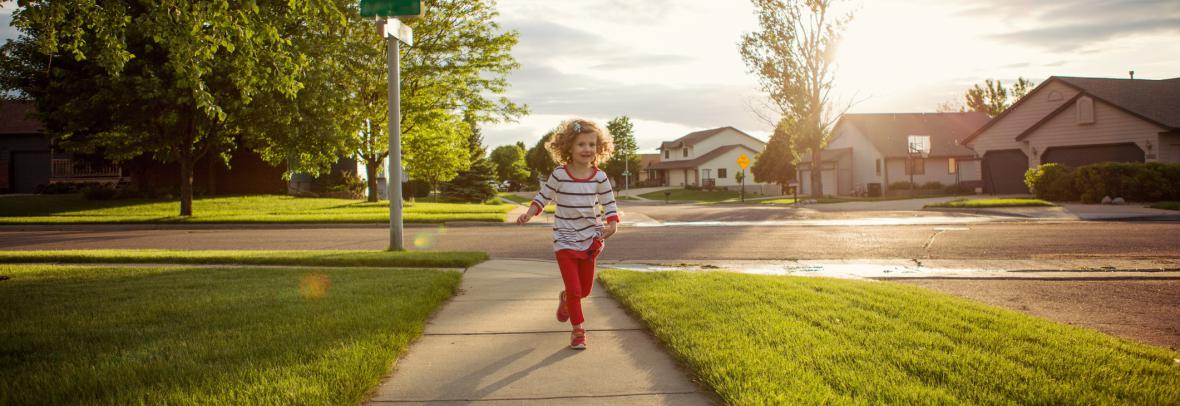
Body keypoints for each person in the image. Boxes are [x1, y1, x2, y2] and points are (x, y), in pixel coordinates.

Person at [516, 118, 620, 350]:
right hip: (564, 239)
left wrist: (612, 223)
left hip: (590, 239)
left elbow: (609, 202)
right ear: (569, 148)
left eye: (592, 145)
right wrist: (530, 212)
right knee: (575, 290)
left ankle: (566, 300)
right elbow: (544, 196)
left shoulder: (599, 177)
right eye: (581, 144)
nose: (587, 149)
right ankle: (578, 330)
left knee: (583, 290)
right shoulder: (559, 175)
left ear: (599, 148)